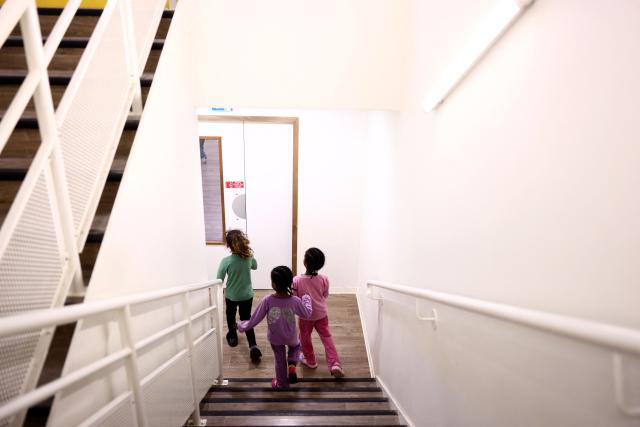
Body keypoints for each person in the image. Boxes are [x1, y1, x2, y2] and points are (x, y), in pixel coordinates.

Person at [238, 266, 312, 389]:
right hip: (291, 337)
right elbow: (307, 313)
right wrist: (306, 299)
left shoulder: (267, 300)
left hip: (275, 338)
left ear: (273, 284)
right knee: (296, 347)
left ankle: (281, 383)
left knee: (280, 360)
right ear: (290, 283)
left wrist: (241, 325)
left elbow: (255, 319)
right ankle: (292, 365)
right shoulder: (294, 300)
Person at [292, 247, 344, 378]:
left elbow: (295, 298)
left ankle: (310, 361)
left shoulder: (297, 280)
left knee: (305, 337)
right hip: (321, 314)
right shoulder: (324, 279)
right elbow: (324, 295)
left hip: (306, 316)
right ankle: (334, 363)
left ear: (305, 262)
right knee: (327, 337)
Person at [217, 229, 261, 362]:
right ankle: (253, 345)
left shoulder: (226, 261)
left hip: (231, 296)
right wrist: (249, 256)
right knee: (246, 318)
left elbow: (219, 278)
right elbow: (255, 266)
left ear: (229, 245)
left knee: (231, 315)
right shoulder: (249, 257)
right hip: (247, 295)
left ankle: (232, 336)